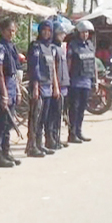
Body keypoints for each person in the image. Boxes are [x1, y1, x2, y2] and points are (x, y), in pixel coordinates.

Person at [0, 18, 22, 167]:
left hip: (12, 85)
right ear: (2, 31)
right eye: (9, 30)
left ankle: (6, 152)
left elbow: (15, 71)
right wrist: (4, 94)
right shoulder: (0, 47)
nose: (11, 33)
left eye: (13, 30)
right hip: (3, 85)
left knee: (9, 123)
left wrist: (18, 91)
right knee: (0, 124)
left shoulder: (11, 46)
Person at [25, 20, 60, 157]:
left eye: (49, 31)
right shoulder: (35, 46)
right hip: (38, 86)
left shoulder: (51, 48)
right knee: (35, 117)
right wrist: (35, 87)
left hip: (48, 87)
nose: (46, 33)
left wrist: (55, 86)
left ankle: (40, 144)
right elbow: (34, 68)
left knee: (44, 117)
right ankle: (32, 146)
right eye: (44, 30)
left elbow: (53, 69)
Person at [68, 20, 96, 144]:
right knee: (74, 108)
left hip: (86, 81)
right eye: (82, 32)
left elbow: (93, 63)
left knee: (82, 108)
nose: (85, 34)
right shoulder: (72, 45)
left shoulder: (90, 45)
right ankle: (72, 133)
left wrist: (96, 80)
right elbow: (69, 64)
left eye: (87, 32)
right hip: (75, 82)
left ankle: (79, 131)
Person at [48, 20, 70, 150]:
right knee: (52, 115)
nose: (63, 36)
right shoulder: (52, 48)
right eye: (60, 33)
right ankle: (51, 139)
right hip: (56, 86)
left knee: (59, 114)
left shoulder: (61, 48)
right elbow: (54, 69)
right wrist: (55, 85)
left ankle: (57, 138)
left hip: (64, 85)